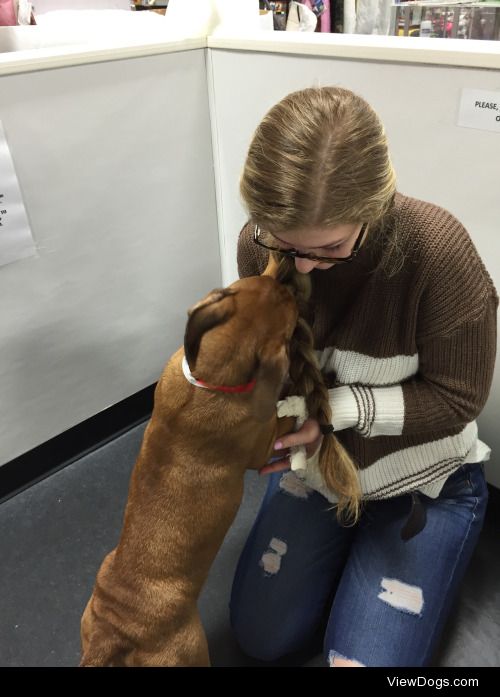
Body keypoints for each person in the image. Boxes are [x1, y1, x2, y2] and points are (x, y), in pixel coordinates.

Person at [229, 86, 498, 667]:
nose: (301, 267)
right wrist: (269, 420)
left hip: (423, 480)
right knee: (259, 636)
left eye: (329, 248)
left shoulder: (438, 255)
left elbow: (459, 397)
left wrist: (331, 415)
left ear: (375, 210)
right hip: (325, 469)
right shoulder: (259, 244)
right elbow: (277, 369)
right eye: (284, 243)